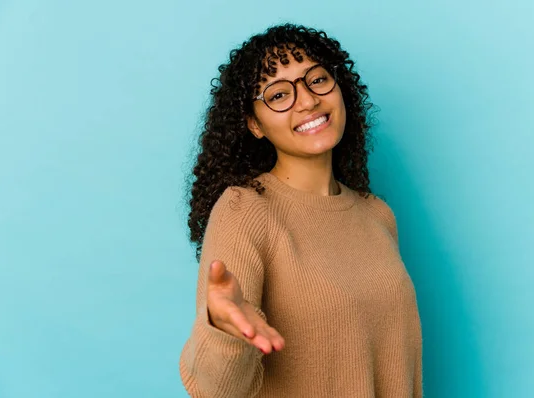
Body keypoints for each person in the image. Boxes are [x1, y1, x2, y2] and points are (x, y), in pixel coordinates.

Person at [179, 23, 423, 397]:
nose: (307, 100)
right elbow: (215, 391)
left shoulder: (377, 215)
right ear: (254, 124)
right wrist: (225, 331)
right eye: (278, 94)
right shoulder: (244, 210)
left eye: (317, 79)